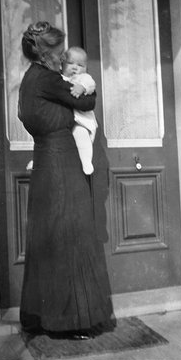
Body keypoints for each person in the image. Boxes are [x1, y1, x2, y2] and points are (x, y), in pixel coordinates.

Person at [18, 21, 115, 339]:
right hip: (62, 165)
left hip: (45, 164)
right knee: (69, 238)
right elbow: (87, 102)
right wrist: (89, 88)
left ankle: (42, 316)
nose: (62, 58)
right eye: (58, 52)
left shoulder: (30, 79)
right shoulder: (48, 79)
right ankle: (71, 321)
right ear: (46, 52)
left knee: (49, 239)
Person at [62, 46, 98, 175]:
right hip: (68, 122)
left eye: (80, 65)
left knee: (81, 134)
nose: (75, 68)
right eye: (70, 63)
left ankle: (86, 161)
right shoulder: (60, 79)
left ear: (86, 68)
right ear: (62, 65)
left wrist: (82, 87)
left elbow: (91, 84)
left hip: (82, 120)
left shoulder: (83, 78)